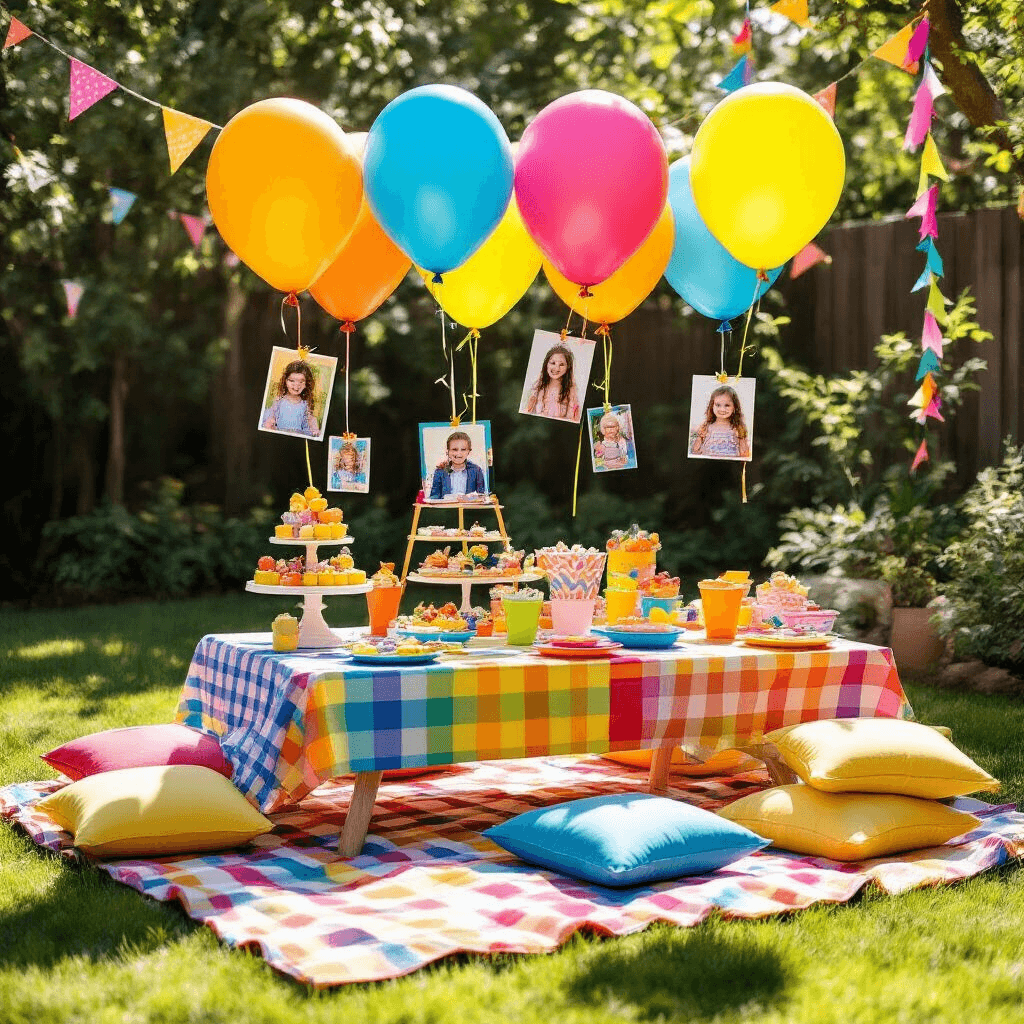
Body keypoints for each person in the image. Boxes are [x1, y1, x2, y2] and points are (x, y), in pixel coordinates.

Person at [689, 384, 751, 459]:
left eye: (727, 405)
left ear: (734, 407)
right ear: (712, 406)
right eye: (718, 405)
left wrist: (742, 438)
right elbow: (695, 451)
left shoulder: (737, 428)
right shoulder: (706, 427)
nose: (722, 409)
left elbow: (744, 455)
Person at [261, 360, 320, 437]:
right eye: (292, 380)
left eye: (301, 382)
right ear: (285, 381)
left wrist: (314, 428)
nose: (296, 385)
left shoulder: (305, 404)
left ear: (306, 384)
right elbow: (271, 416)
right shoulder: (279, 400)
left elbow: (309, 422)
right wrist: (270, 422)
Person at [525, 343, 580, 420]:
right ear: (546, 364)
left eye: (561, 364)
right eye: (553, 363)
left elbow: (573, 419)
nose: (556, 368)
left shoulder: (571, 391)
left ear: (568, 367)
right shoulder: (537, 388)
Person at [429, 430, 487, 499]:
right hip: (446, 508)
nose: (459, 453)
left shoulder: (477, 470)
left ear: (468, 451)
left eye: (463, 449)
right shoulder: (440, 471)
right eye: (454, 449)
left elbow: (481, 495)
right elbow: (434, 496)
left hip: (468, 508)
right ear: (448, 451)